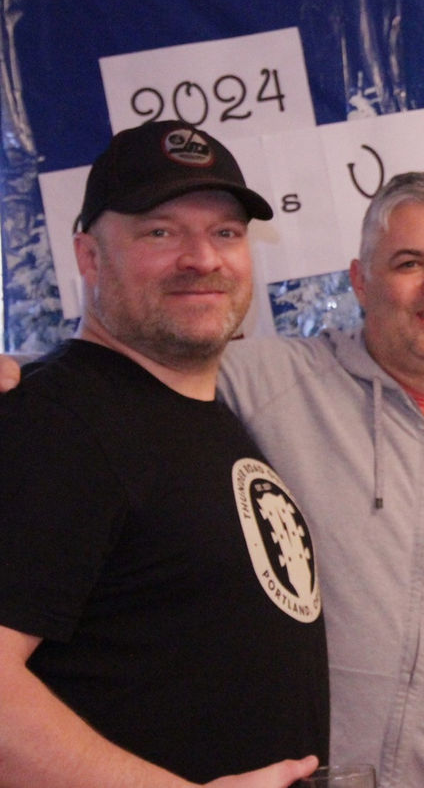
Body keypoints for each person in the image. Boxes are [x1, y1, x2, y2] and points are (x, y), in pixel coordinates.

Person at [0, 121, 327, 787]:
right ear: (89, 258)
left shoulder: (197, 412)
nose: (203, 257)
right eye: (160, 231)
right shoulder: (54, 421)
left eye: (226, 233)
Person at [214, 171, 424, 788]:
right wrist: (18, 380)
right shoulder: (261, 382)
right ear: (360, 280)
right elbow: (120, 378)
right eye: (409, 263)